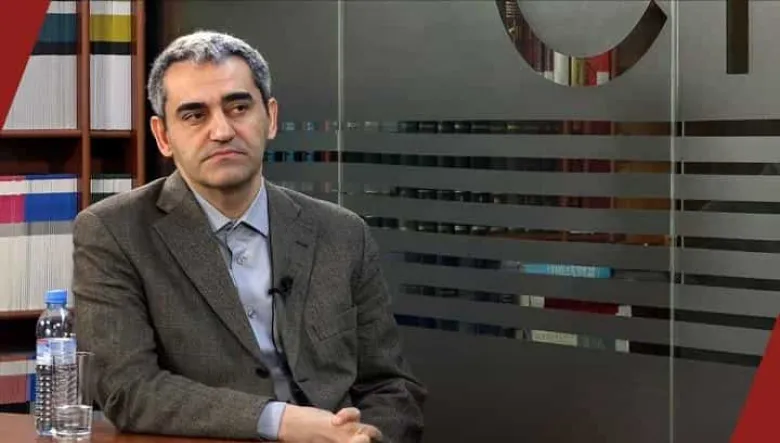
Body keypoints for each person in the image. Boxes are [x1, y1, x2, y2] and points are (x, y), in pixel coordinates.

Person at [71, 30, 427, 443]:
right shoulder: (114, 232)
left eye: (238, 107)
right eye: (194, 115)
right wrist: (282, 422)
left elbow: (391, 387)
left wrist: (367, 436)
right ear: (163, 136)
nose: (222, 131)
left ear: (270, 117)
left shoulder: (343, 232)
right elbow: (126, 389)